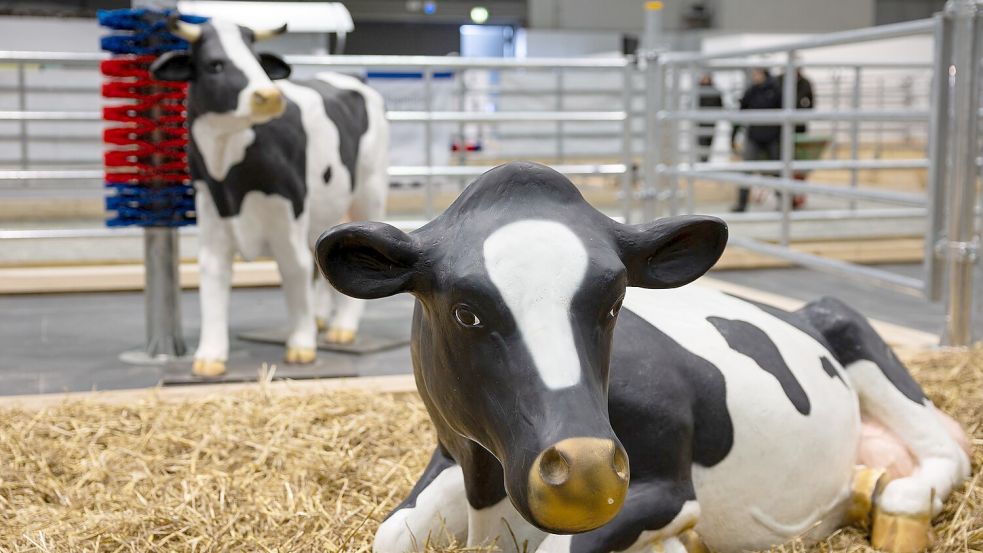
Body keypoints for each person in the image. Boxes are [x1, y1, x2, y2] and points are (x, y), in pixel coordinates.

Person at [730, 67, 782, 212]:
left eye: (757, 74)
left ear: (763, 74)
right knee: (746, 169)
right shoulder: (752, 91)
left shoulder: (775, 90)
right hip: (755, 136)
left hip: (772, 136)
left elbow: (783, 111)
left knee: (777, 170)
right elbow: (741, 111)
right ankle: (742, 203)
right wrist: (734, 135)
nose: (754, 76)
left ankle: (782, 202)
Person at [697, 73, 722, 163]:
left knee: (708, 142)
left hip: (711, 121)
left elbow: (720, 106)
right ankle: (702, 161)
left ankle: (705, 160)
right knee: (701, 142)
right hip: (700, 121)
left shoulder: (715, 91)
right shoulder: (697, 91)